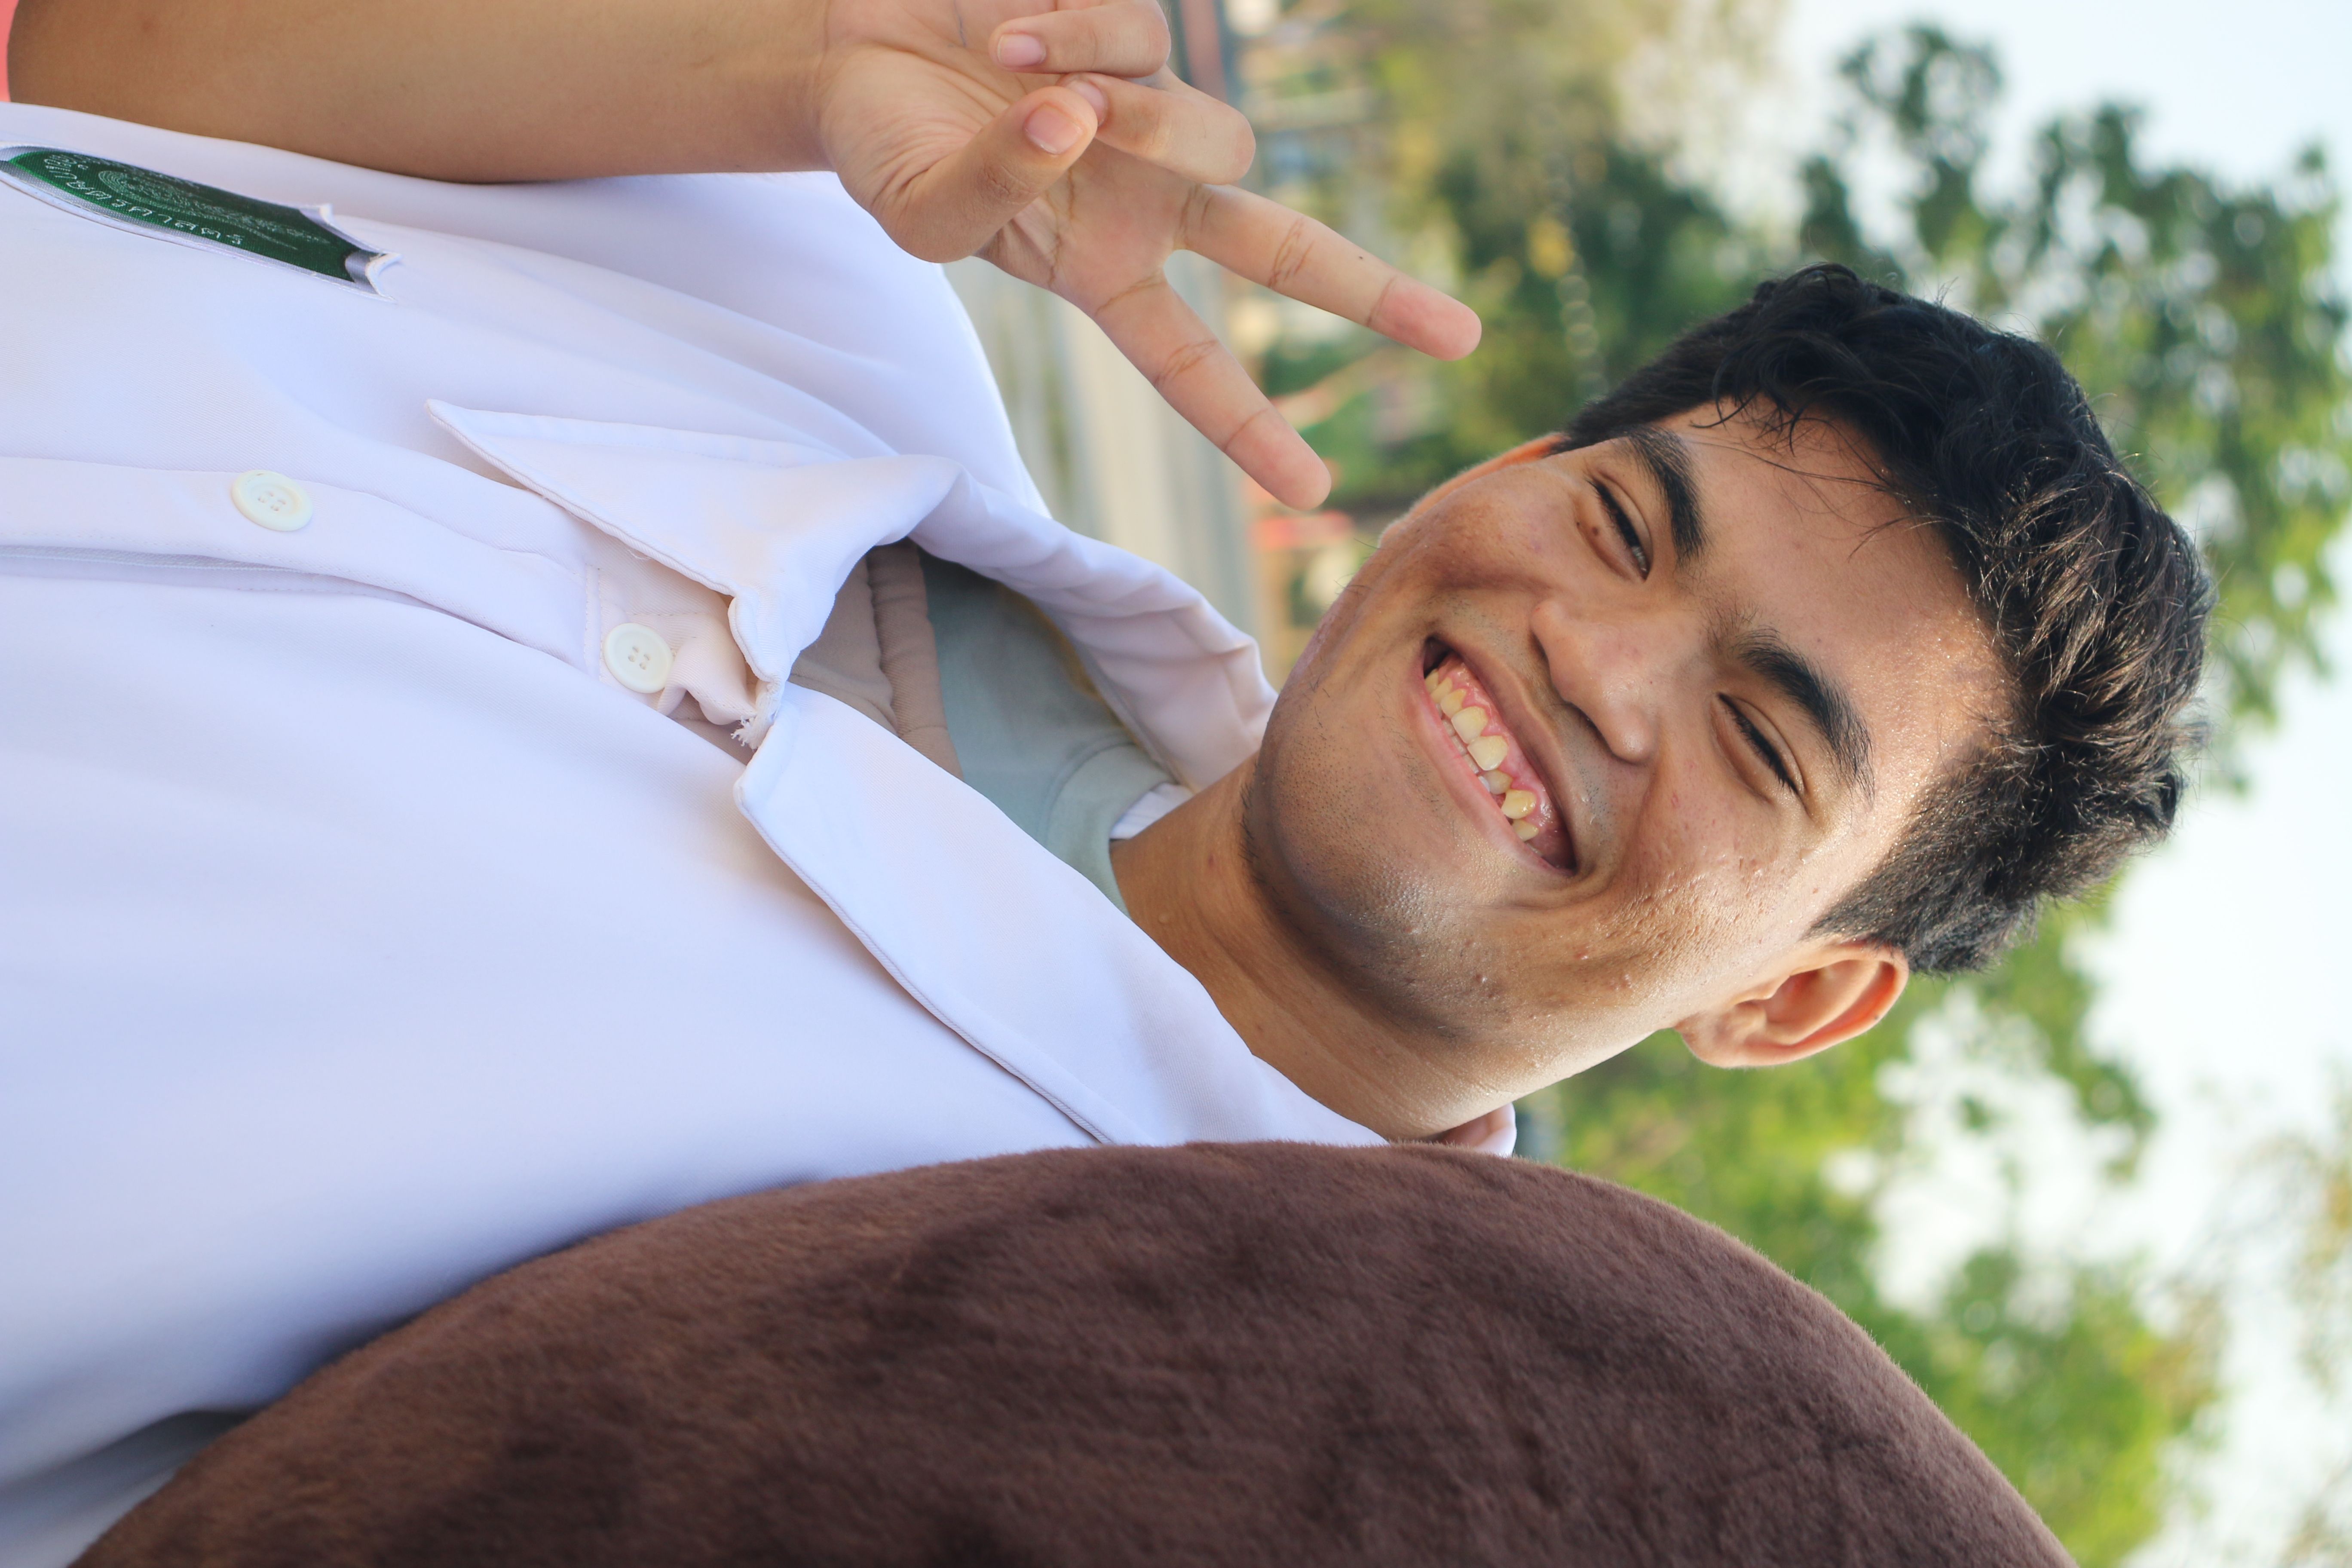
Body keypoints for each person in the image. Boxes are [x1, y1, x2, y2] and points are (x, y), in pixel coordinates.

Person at [0, 1, 2209, 1562]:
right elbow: (122, 70)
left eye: (1758, 736)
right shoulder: (864, 298)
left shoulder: (1041, 1381)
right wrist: (793, 67)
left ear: (1791, 999)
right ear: (1521, 464)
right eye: (1626, 526)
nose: (1598, 661)